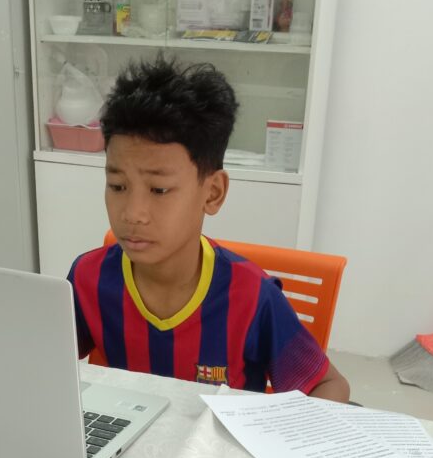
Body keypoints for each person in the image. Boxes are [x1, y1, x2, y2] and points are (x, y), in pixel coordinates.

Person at [68, 55, 350, 402]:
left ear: (212, 193)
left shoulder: (252, 297)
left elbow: (329, 385)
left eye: (159, 190)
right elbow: (44, 359)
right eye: (117, 186)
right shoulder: (88, 278)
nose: (132, 213)